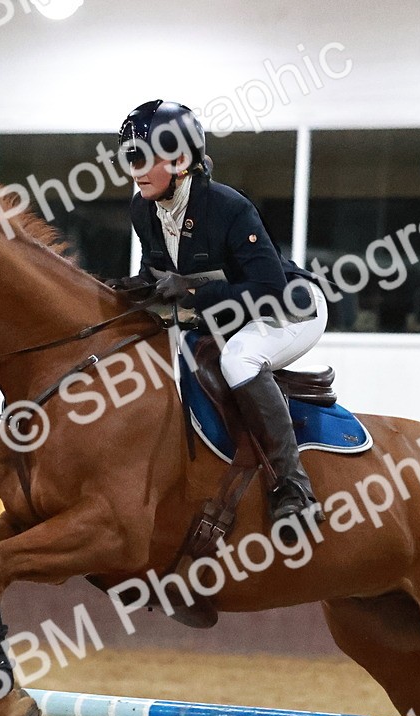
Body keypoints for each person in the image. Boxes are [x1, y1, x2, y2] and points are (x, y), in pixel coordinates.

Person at [116, 99, 328, 524]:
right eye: (129, 158)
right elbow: (152, 276)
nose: (134, 170)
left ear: (179, 161)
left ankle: (293, 487)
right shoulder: (143, 209)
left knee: (239, 360)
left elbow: (269, 290)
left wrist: (194, 291)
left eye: (141, 158)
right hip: (226, 317)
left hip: (287, 310)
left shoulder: (228, 207)